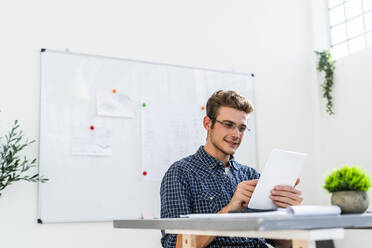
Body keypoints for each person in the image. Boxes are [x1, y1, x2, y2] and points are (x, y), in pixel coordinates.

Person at [160, 90, 303, 248]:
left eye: (242, 128)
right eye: (228, 125)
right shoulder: (181, 173)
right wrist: (228, 211)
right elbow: (175, 245)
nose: (236, 135)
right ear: (208, 123)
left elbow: (283, 243)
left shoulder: (250, 175)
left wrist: (289, 215)